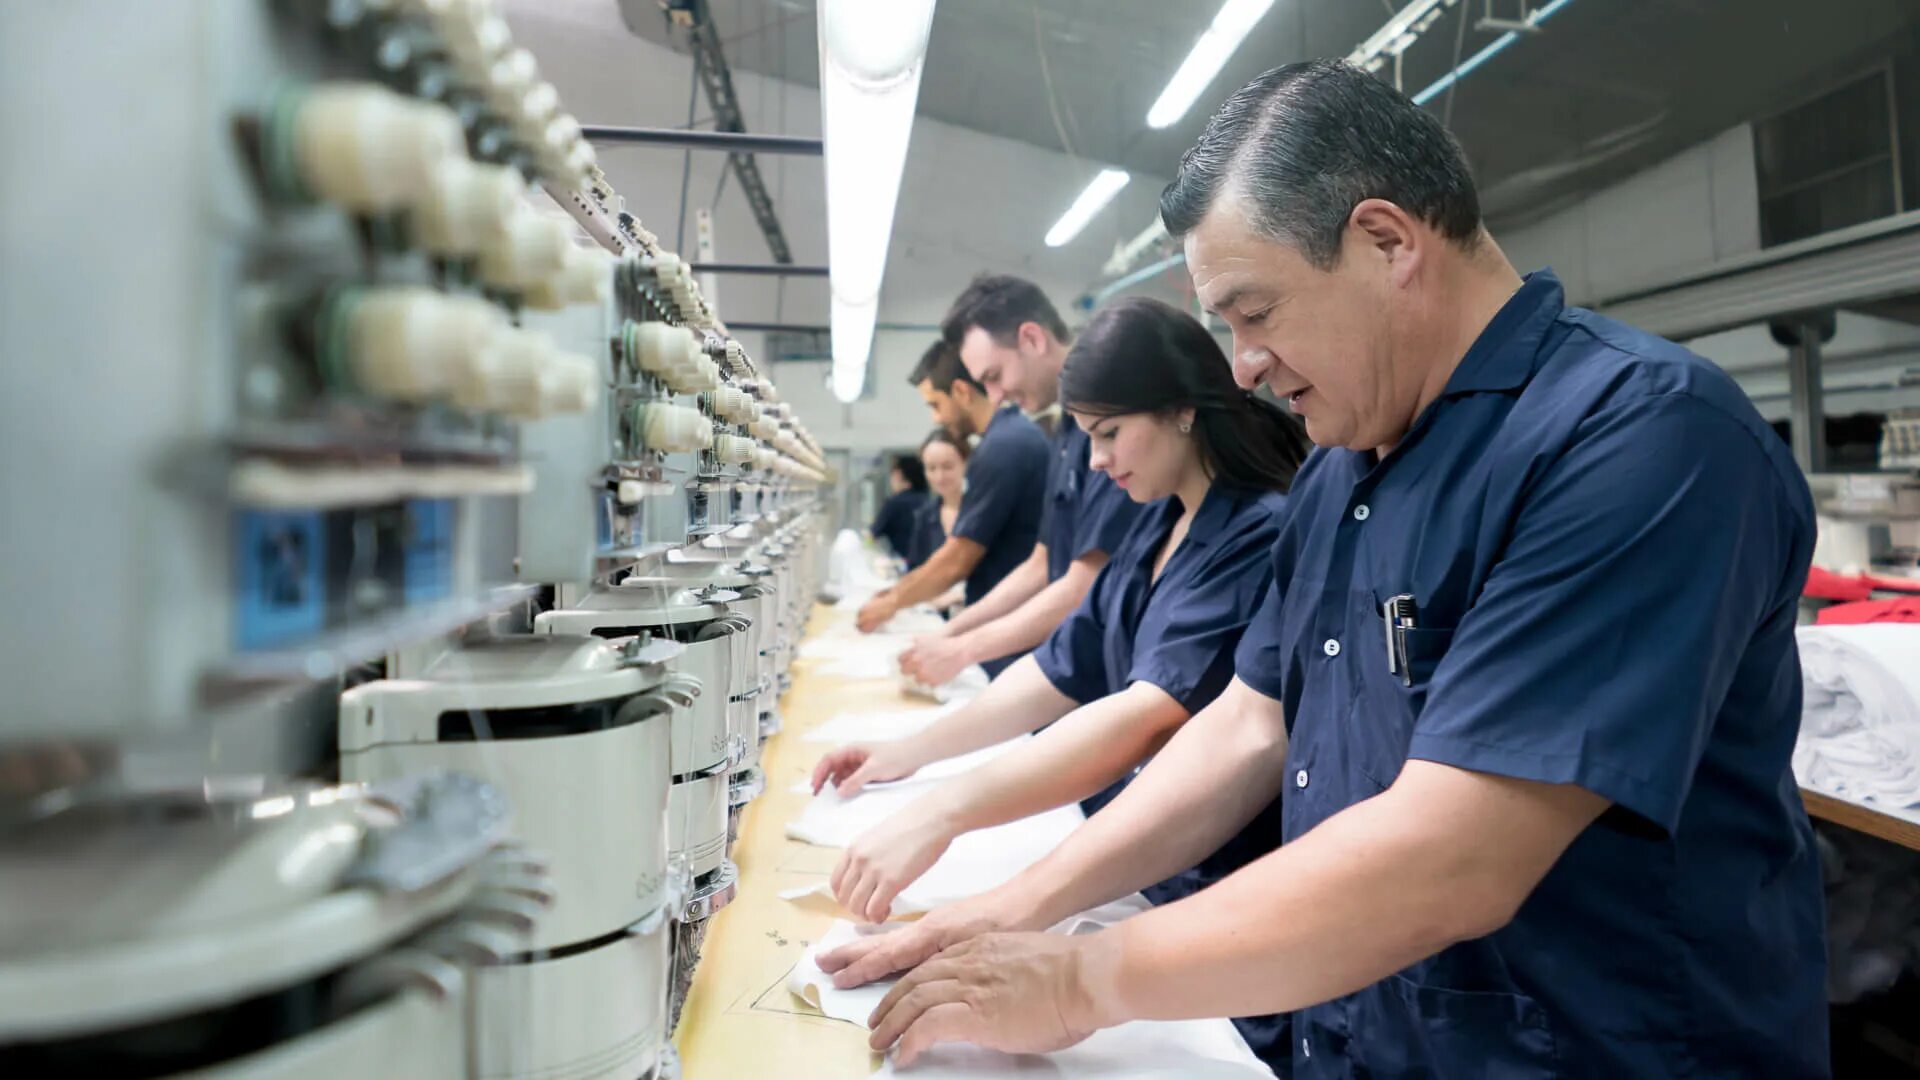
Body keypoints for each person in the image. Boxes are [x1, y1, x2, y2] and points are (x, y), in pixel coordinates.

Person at [822, 59, 1828, 1079]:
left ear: (1387, 242)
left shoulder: (1640, 440)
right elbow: (1249, 726)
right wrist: (1014, 908)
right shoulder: (1342, 471)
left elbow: (1456, 855)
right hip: (1365, 1038)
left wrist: (1084, 981)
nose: (1242, 364)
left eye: (1254, 314)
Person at [812, 297, 1308, 1065]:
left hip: (1205, 897)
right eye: (1088, 439)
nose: (1100, 462)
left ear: (1182, 411)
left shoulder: (1256, 532)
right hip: (1135, 875)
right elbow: (1061, 668)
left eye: (1110, 434)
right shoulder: (1154, 521)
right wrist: (907, 753)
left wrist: (946, 813)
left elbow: (1145, 715)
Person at [897, 276, 1143, 685]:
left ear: (1032, 339)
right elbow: (1042, 564)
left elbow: (1086, 580)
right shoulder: (1064, 433)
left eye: (994, 375)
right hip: (1072, 663)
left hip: (1112, 670)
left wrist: (962, 648)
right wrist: (947, 634)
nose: (993, 396)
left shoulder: (1103, 430)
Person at [858, 342, 1049, 654]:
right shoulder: (1009, 438)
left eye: (936, 404)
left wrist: (892, 602)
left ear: (961, 391)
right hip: (1005, 622)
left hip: (1014, 633)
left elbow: (957, 559)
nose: (936, 418)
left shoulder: (1004, 447)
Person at [904, 430, 969, 572]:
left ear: (965, 463)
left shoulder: (983, 509)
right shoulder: (925, 516)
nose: (939, 477)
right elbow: (916, 569)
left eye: (947, 467)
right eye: (931, 468)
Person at [868, 454, 932, 565]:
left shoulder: (895, 503)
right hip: (931, 565)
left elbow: (872, 536)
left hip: (904, 565)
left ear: (899, 475)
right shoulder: (931, 502)